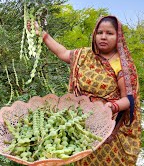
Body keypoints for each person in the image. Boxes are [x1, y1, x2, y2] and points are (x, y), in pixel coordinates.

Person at [28, 15, 141, 165]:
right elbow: (62, 53)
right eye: (100, 32)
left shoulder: (121, 64)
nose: (103, 37)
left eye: (109, 33)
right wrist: (42, 34)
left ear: (118, 37)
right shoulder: (85, 55)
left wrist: (111, 107)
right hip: (83, 126)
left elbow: (129, 98)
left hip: (110, 128)